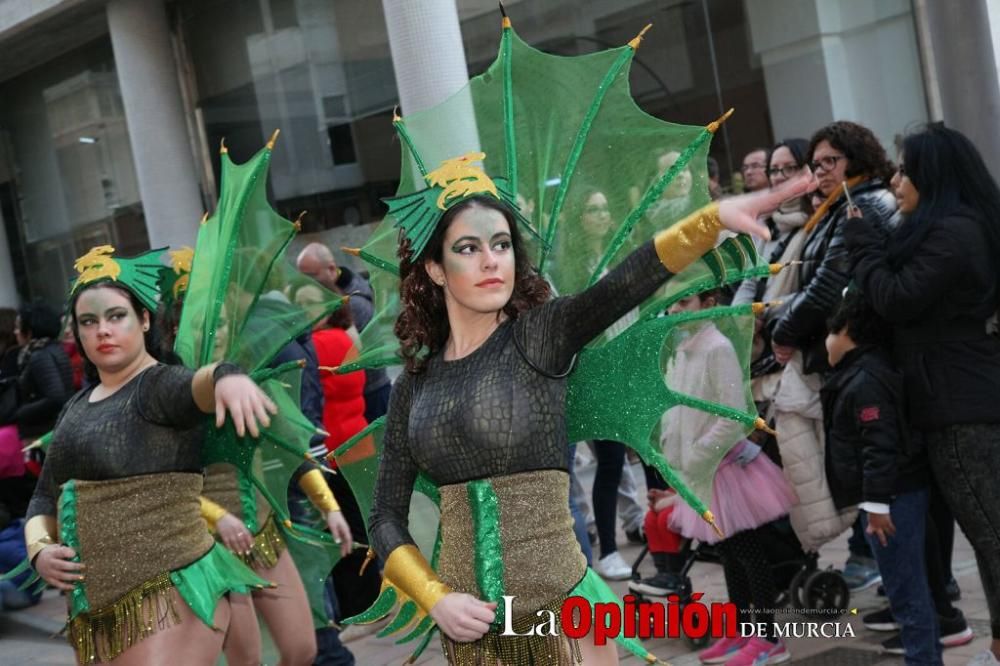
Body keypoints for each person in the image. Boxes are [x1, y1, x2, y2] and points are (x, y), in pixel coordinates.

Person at [367, 145, 811, 664]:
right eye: (467, 248)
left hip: (563, 616)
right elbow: (384, 516)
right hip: (472, 632)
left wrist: (707, 222)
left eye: (502, 244)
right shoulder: (413, 387)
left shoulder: (540, 337)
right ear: (436, 270)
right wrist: (434, 597)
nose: (491, 260)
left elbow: (621, 287)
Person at [24, 247, 274, 665]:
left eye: (116, 316)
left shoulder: (157, 386)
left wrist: (227, 376)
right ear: (79, 335)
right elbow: (43, 497)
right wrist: (40, 549)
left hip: (173, 587)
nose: (103, 330)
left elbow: (196, 384)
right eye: (89, 321)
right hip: (98, 609)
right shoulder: (74, 408)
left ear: (143, 320)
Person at [843, 123, 1000, 666]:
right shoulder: (951, 227)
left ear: (932, 175)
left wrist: (863, 244)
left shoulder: (956, 232)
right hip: (954, 396)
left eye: (906, 169)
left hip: (962, 406)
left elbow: (895, 298)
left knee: (990, 531)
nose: (896, 178)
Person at [769, 121, 897, 571]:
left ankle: (916, 598)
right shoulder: (838, 206)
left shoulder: (862, 205)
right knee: (853, 464)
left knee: (873, 467)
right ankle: (894, 582)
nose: (821, 171)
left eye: (831, 161)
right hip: (838, 352)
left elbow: (828, 283)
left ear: (855, 159)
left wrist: (783, 331)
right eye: (817, 163)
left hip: (862, 351)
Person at [660, 290, 797, 666]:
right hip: (702, 471)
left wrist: (699, 453)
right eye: (672, 303)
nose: (674, 310)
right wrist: (677, 458)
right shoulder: (686, 348)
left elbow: (733, 414)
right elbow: (679, 410)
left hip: (724, 469)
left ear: (708, 304)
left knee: (748, 554)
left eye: (684, 303)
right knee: (728, 554)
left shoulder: (716, 348)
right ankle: (739, 630)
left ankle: (769, 638)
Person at [822, 289, 940, 665]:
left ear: (849, 332)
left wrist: (876, 505)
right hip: (891, 497)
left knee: (906, 590)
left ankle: (923, 660)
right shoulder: (863, 371)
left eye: (831, 333)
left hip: (892, 501)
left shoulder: (867, 380)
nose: (827, 343)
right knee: (906, 587)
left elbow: (880, 447)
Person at [296, 243, 392, 422]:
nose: (305, 282)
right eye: (301, 276)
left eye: (311, 276)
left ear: (332, 269)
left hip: (370, 395)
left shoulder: (353, 305)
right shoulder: (343, 291)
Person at [10, 302, 74, 440]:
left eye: (18, 327)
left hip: (45, 431)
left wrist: (20, 413)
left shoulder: (39, 355)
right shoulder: (54, 348)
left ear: (29, 331)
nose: (15, 332)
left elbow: (55, 397)